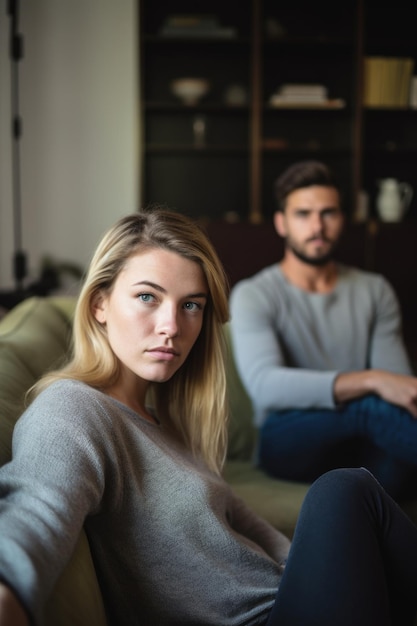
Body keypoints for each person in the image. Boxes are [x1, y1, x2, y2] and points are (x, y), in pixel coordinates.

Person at [1, 207, 417, 626]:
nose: (172, 326)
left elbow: (264, 538)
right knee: (345, 489)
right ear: (99, 305)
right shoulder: (73, 407)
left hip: (290, 604)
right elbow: (36, 511)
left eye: (191, 306)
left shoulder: (170, 427)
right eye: (148, 297)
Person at [229, 160, 417, 501]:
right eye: (303, 214)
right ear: (281, 223)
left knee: (393, 471)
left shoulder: (375, 290)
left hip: (362, 442)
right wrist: (369, 380)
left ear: (342, 219)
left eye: (328, 213)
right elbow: (266, 386)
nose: (317, 226)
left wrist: (383, 383)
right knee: (368, 408)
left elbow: (400, 387)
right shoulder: (254, 294)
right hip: (289, 440)